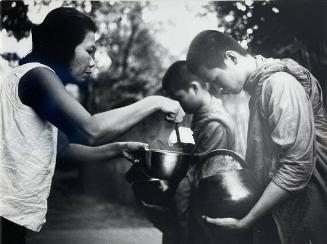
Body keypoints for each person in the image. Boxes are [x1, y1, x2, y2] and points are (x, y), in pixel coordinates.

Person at [0, 7, 184, 244]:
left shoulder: (33, 78)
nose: (93, 63)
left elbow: (63, 151)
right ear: (64, 45)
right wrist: (154, 102)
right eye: (89, 51)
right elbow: (90, 130)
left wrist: (119, 148)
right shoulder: (37, 76)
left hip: (10, 214)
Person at [186, 30, 327, 244]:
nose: (217, 89)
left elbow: (296, 166)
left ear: (231, 58)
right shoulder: (260, 88)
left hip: (307, 213)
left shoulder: (279, 84)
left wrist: (247, 221)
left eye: (214, 79)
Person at [132, 60, 237, 244]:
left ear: (194, 88)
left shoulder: (214, 123)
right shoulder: (200, 113)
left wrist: (176, 216)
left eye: (178, 98)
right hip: (197, 200)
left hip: (205, 205)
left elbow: (197, 175)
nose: (176, 104)